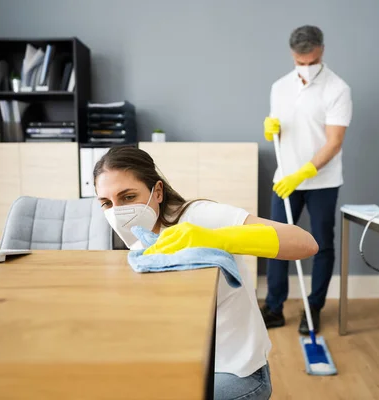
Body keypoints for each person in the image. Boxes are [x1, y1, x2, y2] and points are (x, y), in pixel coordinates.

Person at [93, 146, 318, 400]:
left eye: (128, 197)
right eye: (106, 203)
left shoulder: (199, 217)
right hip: (185, 363)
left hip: (234, 371)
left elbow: (305, 243)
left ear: (157, 192)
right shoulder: (139, 241)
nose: (117, 211)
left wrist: (213, 238)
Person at [261, 25, 353, 335]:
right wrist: (271, 129)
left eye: (310, 61)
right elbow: (282, 130)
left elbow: (334, 142)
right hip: (284, 179)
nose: (305, 67)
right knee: (276, 243)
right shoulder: (279, 87)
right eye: (300, 62)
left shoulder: (337, 89)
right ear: (292, 55)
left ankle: (313, 308)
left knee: (322, 245)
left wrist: (305, 172)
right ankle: (273, 308)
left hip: (322, 182)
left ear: (321, 50)